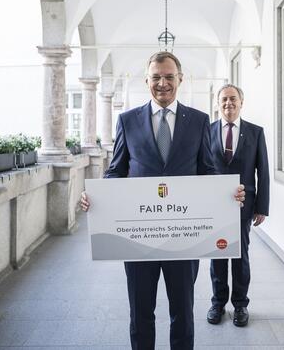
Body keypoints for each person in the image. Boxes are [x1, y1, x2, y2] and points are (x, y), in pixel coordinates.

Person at [80, 51, 245, 350]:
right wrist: (99, 198)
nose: (163, 83)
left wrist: (227, 194)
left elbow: (207, 170)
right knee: (140, 312)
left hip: (184, 239)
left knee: (183, 313)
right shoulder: (128, 121)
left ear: (180, 79)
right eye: (156, 77)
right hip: (138, 236)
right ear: (147, 81)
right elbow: (117, 169)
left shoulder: (198, 121)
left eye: (169, 76)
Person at [206, 84, 269, 327]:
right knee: (218, 254)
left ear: (241, 102)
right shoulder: (207, 131)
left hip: (245, 205)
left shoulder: (255, 132)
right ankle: (218, 303)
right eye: (223, 100)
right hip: (215, 206)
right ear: (217, 103)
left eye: (233, 99)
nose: (228, 104)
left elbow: (262, 171)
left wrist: (262, 206)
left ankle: (241, 305)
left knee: (240, 255)